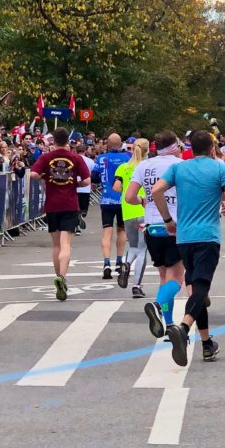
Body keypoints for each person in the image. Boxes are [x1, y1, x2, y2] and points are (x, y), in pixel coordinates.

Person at [152, 130, 225, 366]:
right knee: (201, 286)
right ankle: (183, 327)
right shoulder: (220, 169)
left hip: (183, 236)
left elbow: (155, 191)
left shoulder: (178, 168)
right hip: (207, 236)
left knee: (196, 290)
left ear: (190, 147)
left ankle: (206, 344)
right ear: (213, 148)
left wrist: (167, 219)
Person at [128, 131, 185, 339]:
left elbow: (129, 196)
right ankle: (158, 306)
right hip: (174, 225)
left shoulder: (143, 166)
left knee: (164, 276)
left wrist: (144, 201)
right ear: (174, 146)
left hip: (151, 226)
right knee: (177, 277)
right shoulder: (179, 165)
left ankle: (168, 324)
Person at [31, 127, 91, 301]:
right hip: (70, 204)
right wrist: (74, 184)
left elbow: (33, 173)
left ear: (53, 140)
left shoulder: (47, 157)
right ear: (68, 141)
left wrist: (45, 177)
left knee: (56, 245)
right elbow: (86, 180)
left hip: (52, 205)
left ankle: (57, 275)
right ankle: (62, 277)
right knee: (66, 245)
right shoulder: (75, 157)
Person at [93, 134, 130, 280]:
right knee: (121, 230)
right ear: (121, 144)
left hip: (107, 199)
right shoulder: (127, 158)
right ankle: (119, 261)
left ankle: (106, 263)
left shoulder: (101, 158)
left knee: (106, 232)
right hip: (122, 200)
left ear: (107, 144)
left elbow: (95, 176)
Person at [114, 139, 149, 297]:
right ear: (147, 151)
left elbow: (116, 187)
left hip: (127, 210)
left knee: (133, 246)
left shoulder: (123, 167)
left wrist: (125, 188)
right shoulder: (147, 167)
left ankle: (126, 264)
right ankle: (137, 286)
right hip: (143, 210)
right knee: (142, 250)